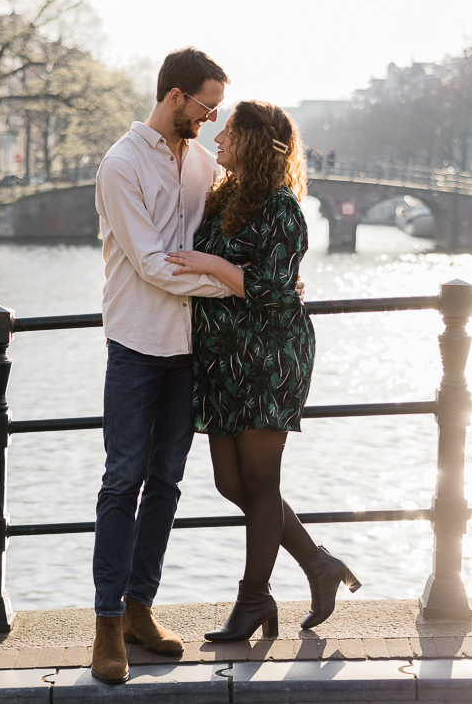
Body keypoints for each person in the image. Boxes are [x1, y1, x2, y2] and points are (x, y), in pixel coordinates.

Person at [166, 101, 360, 643]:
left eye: (229, 131)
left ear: (253, 142)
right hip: (223, 358)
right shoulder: (224, 196)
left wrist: (212, 265)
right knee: (233, 482)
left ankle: (253, 599)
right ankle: (318, 565)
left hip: (269, 357)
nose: (218, 137)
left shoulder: (282, 209)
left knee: (260, 481)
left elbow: (275, 291)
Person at [90, 47, 236, 684]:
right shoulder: (120, 166)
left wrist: (229, 268)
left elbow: (205, 247)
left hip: (186, 347)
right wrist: (237, 285)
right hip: (135, 342)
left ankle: (139, 608)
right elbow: (152, 264)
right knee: (123, 481)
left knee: (168, 482)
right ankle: (104, 626)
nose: (210, 119)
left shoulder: (204, 164)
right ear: (175, 96)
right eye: (205, 106)